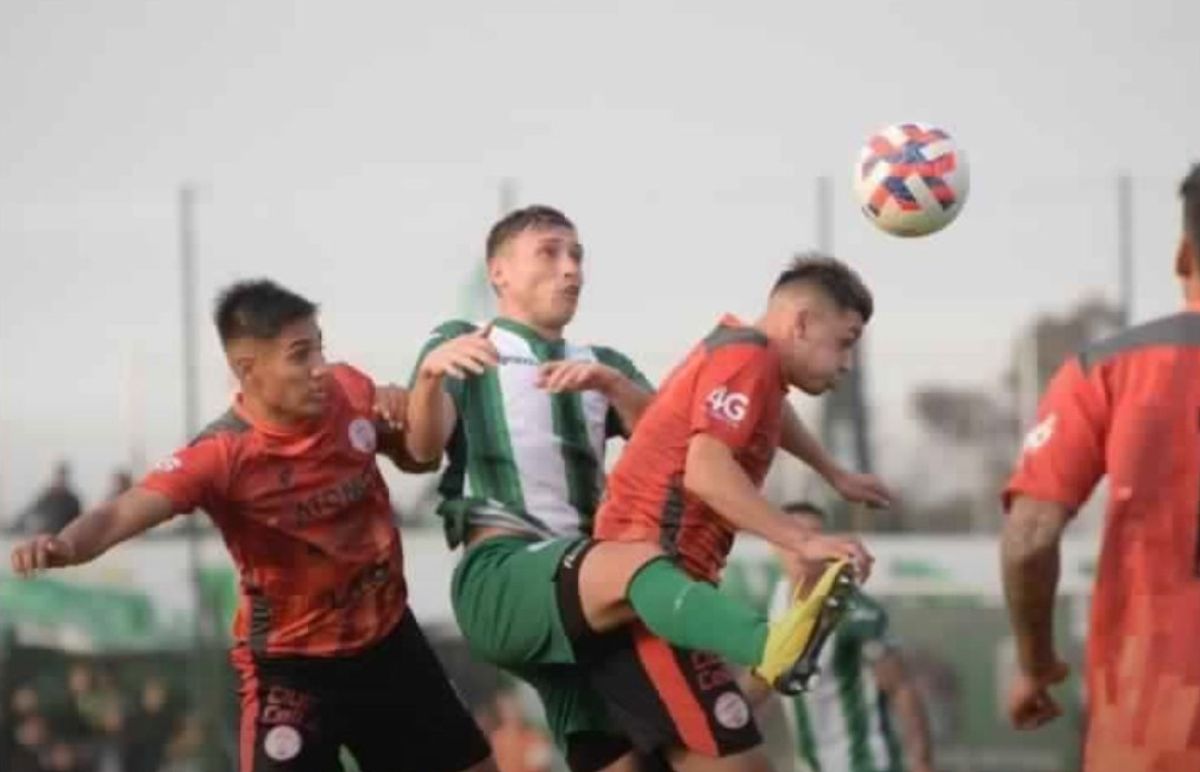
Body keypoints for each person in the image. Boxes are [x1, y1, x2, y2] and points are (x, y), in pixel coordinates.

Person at [406, 209, 886, 772]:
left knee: (665, 761)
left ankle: (764, 656)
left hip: (589, 596)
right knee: (638, 563)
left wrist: (614, 386)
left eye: (577, 255)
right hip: (508, 576)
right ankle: (768, 644)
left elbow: (668, 434)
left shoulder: (604, 363)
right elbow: (420, 449)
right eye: (550, 253)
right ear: (499, 272)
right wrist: (430, 378)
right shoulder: (464, 343)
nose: (571, 269)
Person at [10, 279, 494, 772]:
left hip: (387, 640)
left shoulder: (348, 390)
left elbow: (418, 457)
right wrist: (65, 544)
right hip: (293, 669)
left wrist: (419, 392)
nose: (319, 368)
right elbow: (120, 511)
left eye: (320, 348)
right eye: (300, 355)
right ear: (248, 369)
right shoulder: (223, 455)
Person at [590, 255, 878, 770]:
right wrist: (803, 539)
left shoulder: (747, 359)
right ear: (802, 323)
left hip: (657, 586)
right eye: (846, 341)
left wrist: (833, 472)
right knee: (741, 763)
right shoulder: (748, 359)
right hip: (649, 583)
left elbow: (772, 411)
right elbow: (705, 471)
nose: (848, 362)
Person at [1000, 163, 1200, 771]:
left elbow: (1028, 539)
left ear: (1183, 254)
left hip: (1152, 733)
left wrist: (1036, 664)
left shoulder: (1109, 368)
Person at [756, 502, 932, 772]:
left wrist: (921, 762)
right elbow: (760, 681)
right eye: (795, 537)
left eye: (813, 536)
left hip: (866, 764)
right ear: (774, 545)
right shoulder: (775, 601)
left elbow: (901, 687)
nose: (803, 548)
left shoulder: (853, 608)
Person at [14, 461, 82, 535]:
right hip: (46, 536)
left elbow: (78, 521)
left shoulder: (72, 501)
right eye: (59, 475)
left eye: (63, 476)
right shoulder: (47, 497)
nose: (61, 479)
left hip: (63, 537)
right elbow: (31, 512)